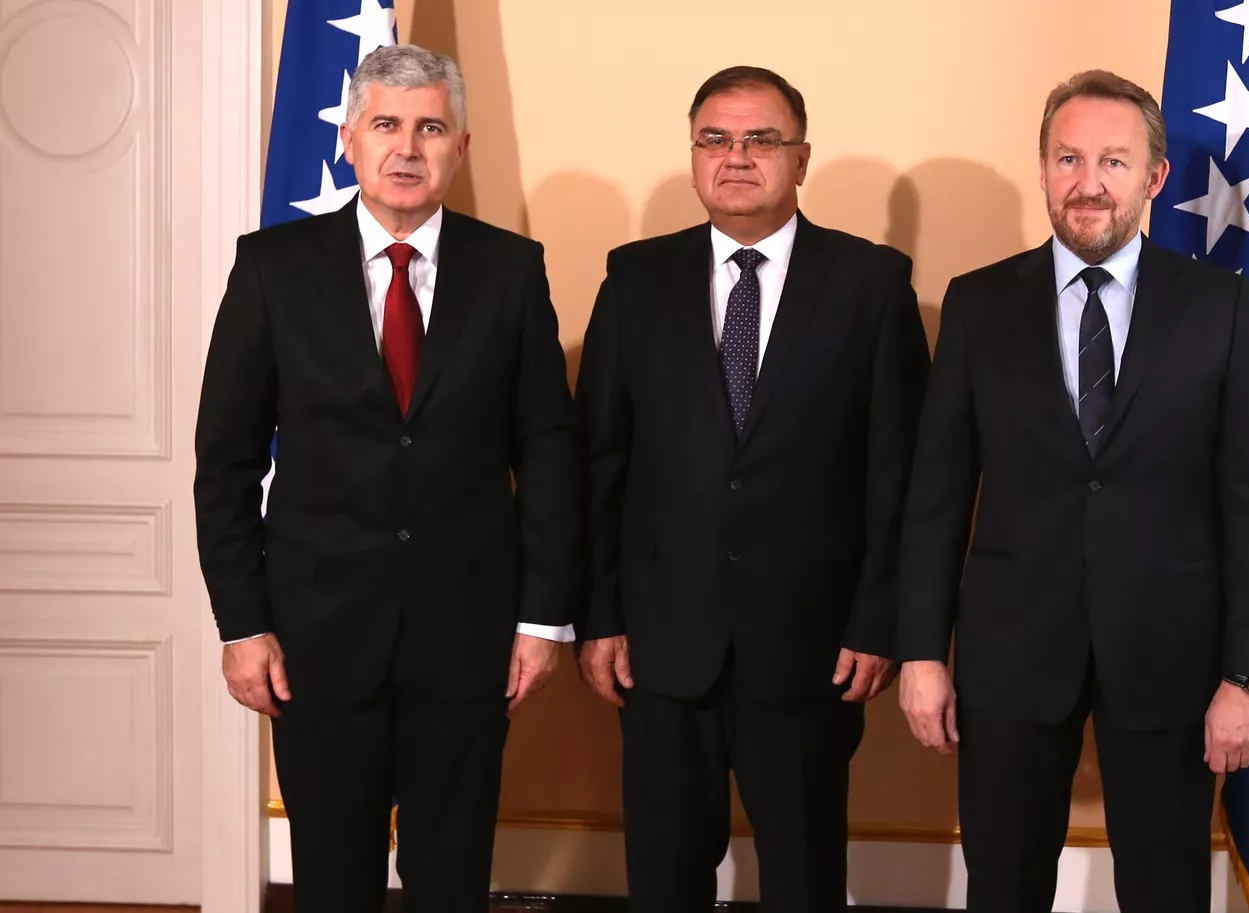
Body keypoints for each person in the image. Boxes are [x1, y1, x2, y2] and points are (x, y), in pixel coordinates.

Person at [897, 70, 1249, 913]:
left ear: (1153, 177)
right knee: (1003, 887)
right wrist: (922, 653)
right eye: (1068, 158)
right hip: (1009, 659)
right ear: (1042, 169)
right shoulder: (976, 305)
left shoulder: (1217, 306)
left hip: (1171, 659)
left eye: (1113, 161)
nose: (1088, 183)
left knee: (1165, 890)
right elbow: (935, 498)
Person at [194, 45, 580, 913]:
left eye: (430, 127)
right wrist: (243, 622)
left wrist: (541, 616)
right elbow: (225, 461)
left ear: (460, 147)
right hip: (316, 638)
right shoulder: (272, 267)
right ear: (348, 140)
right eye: (386, 125)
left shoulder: (511, 270)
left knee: (452, 876)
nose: (407, 147)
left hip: (471, 636)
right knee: (334, 878)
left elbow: (547, 451)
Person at [574, 66, 930, 912]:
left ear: (800, 158)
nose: (735, 157)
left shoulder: (872, 285)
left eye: (760, 140)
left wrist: (877, 621)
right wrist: (599, 614)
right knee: (664, 878)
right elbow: (598, 464)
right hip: (660, 647)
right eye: (715, 139)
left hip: (813, 648)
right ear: (694, 154)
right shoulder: (634, 279)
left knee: (804, 878)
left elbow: (901, 477)